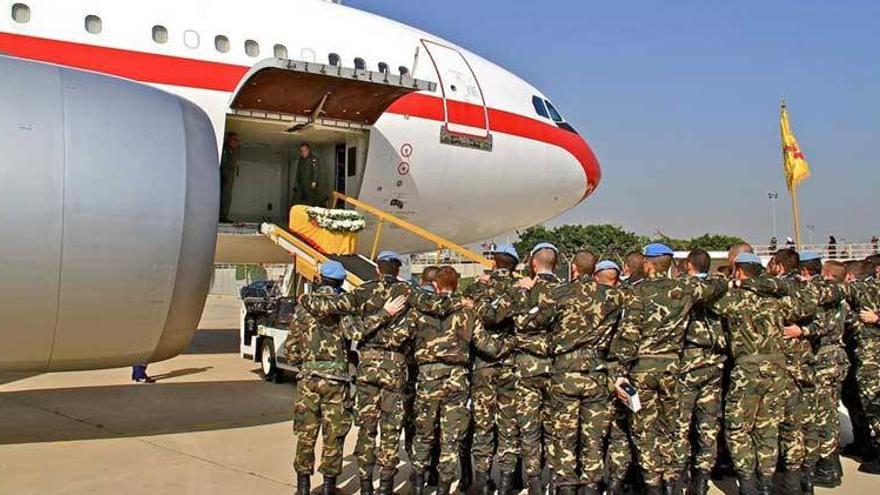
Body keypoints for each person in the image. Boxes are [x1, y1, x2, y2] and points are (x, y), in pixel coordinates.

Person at [302, 251, 456, 494]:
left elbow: (328, 304)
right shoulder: (408, 292)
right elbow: (437, 305)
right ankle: (385, 485)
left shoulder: (363, 291)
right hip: (394, 368)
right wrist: (462, 302)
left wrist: (305, 298)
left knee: (366, 427)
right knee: (390, 428)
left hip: (367, 368)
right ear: (397, 270)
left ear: (377, 270)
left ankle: (365, 486)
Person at [609, 243, 727, 494]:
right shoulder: (684, 288)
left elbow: (629, 336)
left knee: (644, 431)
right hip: (673, 369)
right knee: (672, 430)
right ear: (671, 264)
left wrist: (620, 372)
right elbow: (718, 285)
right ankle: (672, 483)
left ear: (647, 264)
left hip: (642, 370)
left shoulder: (636, 293)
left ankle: (653, 485)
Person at [288, 261, 407, 495]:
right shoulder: (343, 308)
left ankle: (303, 488)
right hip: (335, 379)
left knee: (306, 433)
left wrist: (304, 364)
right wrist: (385, 314)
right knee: (334, 434)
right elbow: (356, 332)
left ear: (320, 278)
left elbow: (292, 347)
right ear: (341, 282)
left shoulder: (303, 307)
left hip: (309, 377)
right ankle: (329, 488)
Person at [407, 266, 512, 495]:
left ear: (435, 285)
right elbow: (487, 346)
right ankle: (444, 488)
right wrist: (511, 344)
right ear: (456, 285)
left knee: (424, 435)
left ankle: (418, 486)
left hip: (428, 378)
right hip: (456, 379)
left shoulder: (420, 311)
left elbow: (404, 338)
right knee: (451, 438)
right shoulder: (467, 312)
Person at [537, 253, 625, 495]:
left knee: (563, 436)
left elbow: (537, 322)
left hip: (564, 373)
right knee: (593, 436)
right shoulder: (613, 296)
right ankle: (591, 485)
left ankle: (565, 487)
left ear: (573, 269)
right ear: (594, 269)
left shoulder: (558, 294)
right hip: (596, 373)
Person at [711, 252, 793, 495]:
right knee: (768, 428)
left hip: (748, 368)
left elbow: (706, 299)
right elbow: (804, 304)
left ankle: (747, 483)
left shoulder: (734, 300)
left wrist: (732, 284)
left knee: (738, 427)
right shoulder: (778, 300)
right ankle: (766, 483)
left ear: (739, 272)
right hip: (777, 369)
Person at [467, 244, 523, 495]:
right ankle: (507, 483)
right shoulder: (523, 289)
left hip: (483, 365)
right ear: (515, 265)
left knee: (483, 424)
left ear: (493, 263)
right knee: (509, 425)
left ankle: (482, 480)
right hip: (511, 364)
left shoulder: (477, 288)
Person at [674, 249, 727, 495]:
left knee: (681, 423)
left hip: (688, 362)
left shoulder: (683, 288)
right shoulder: (719, 288)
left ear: (688, 265)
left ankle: (681, 475)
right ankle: (703, 478)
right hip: (714, 362)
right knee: (708, 423)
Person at [293, 143, 327, 207]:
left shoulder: (313, 159)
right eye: (302, 151)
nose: (303, 152)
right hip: (301, 182)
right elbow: (298, 171)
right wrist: (296, 182)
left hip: (309, 183)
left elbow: (316, 171)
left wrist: (314, 181)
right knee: (296, 200)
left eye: (305, 150)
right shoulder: (301, 159)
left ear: (308, 150)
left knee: (310, 200)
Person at [219, 132, 240, 222]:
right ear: (229, 139)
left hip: (229, 177)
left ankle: (224, 216)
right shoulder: (226, 149)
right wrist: (225, 175)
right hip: (225, 177)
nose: (236, 142)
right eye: (234, 140)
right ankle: (221, 217)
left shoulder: (233, 150)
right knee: (224, 197)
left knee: (227, 198)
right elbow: (223, 164)